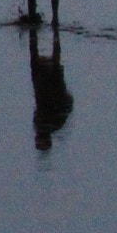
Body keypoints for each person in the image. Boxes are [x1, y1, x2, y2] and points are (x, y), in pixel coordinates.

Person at [29, 24, 73, 152]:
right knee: (54, 63)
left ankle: (54, 35)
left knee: (53, 63)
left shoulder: (52, 124)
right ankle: (55, 35)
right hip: (50, 88)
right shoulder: (55, 124)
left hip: (48, 88)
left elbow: (68, 103)